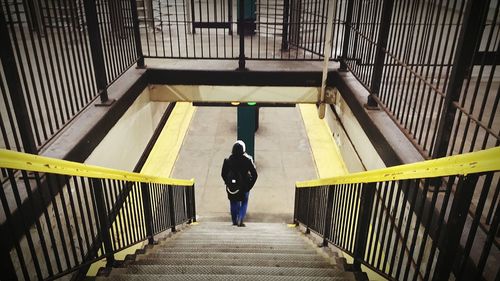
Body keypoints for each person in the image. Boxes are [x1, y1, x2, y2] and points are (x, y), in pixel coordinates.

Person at [221, 140, 258, 227]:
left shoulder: (228, 160)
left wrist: (227, 182)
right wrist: (249, 186)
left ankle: (234, 220)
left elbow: (223, 174)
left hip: (232, 187)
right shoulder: (247, 160)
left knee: (233, 202)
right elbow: (255, 174)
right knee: (244, 202)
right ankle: (240, 218)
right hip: (244, 186)